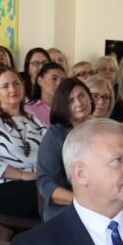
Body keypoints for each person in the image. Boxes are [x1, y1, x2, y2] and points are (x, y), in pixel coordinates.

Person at [0, 66, 44, 219]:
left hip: (35, 182)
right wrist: (23, 175)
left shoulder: (34, 119)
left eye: (16, 83)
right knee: (48, 194)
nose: (13, 89)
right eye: (5, 86)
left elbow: (50, 151)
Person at [36, 78, 95, 222]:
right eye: (71, 100)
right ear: (63, 106)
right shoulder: (55, 136)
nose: (79, 103)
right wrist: (84, 203)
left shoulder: (103, 128)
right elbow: (46, 184)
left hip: (103, 201)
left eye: (82, 96)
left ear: (90, 99)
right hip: (67, 205)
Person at [24, 62, 66, 127]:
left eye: (63, 81)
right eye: (54, 79)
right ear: (40, 81)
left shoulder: (69, 107)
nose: (59, 84)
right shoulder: (29, 109)